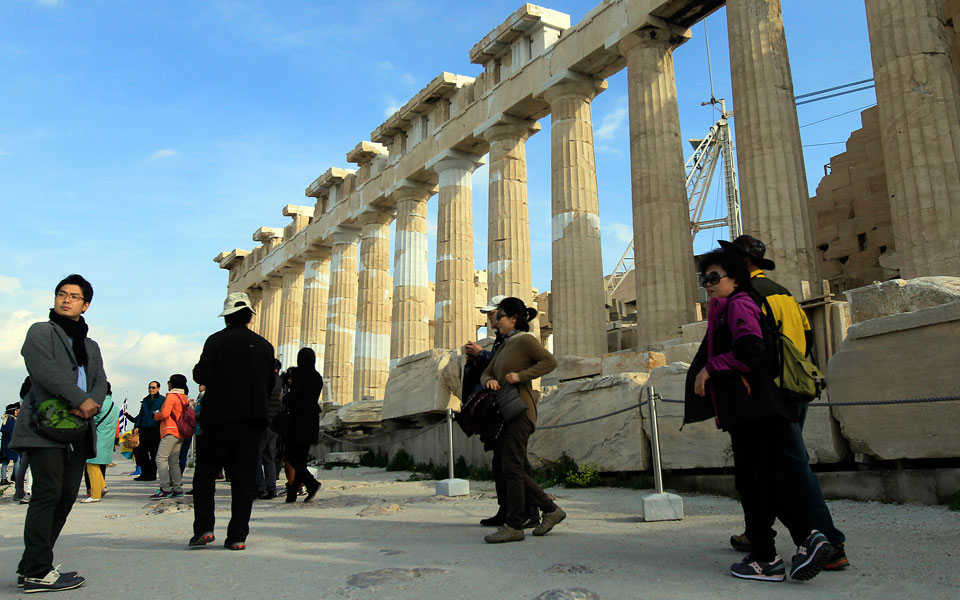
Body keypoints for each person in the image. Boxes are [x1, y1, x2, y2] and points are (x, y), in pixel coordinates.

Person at [684, 249, 832, 582]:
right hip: (754, 408)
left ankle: (773, 555)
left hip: (755, 408)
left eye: (713, 277)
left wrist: (711, 368)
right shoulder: (733, 305)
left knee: (760, 481)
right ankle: (798, 544)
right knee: (764, 481)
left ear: (735, 277)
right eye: (703, 278)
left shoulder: (740, 304)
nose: (707, 285)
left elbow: (750, 350)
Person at [719, 235, 848, 570]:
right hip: (794, 388)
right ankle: (756, 535)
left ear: (744, 263)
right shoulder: (784, 293)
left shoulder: (747, 295)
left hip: (769, 395)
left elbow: (753, 347)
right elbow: (806, 337)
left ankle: (830, 544)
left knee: (790, 469)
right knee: (761, 468)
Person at [12, 274, 105, 592]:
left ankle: (31, 565)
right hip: (45, 426)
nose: (66, 299)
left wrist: (90, 402)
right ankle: (39, 569)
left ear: (86, 305)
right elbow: (43, 369)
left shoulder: (90, 346)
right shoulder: (41, 331)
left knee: (65, 497)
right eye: (61, 294)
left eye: (74, 296)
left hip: (79, 428)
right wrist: (81, 400)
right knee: (47, 494)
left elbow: (100, 381)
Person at [191, 292, 275, 550]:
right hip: (252, 420)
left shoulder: (216, 341)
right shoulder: (265, 346)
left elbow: (201, 375)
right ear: (250, 316)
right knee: (244, 479)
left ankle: (205, 528)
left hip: (218, 418)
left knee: (205, 474)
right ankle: (238, 535)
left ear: (226, 318)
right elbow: (270, 385)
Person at [479, 296, 563, 544]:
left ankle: (517, 524)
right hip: (505, 412)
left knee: (513, 467)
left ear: (513, 318)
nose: (495, 322)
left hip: (521, 411)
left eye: (500, 316)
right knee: (510, 467)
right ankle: (549, 510)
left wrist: (521, 375)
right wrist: (490, 381)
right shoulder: (505, 344)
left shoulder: (525, 340)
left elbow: (550, 361)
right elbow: (486, 372)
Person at [462, 296, 541, 529]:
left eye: (492, 313)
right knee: (501, 463)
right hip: (498, 407)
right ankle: (507, 509)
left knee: (516, 464)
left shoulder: (519, 339)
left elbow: (534, 364)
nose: (489, 317)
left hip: (514, 406)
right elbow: (492, 370)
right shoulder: (502, 339)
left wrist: (482, 355)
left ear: (507, 315)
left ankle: (536, 511)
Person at [283, 349, 323, 503]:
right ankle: (292, 493)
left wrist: (286, 396)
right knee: (301, 458)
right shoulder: (317, 376)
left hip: (298, 420)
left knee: (291, 456)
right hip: (312, 419)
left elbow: (296, 397)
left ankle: (311, 482)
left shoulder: (299, 376)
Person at [150, 375, 190, 500]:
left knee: (160, 459)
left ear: (171, 384)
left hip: (170, 430)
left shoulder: (172, 396)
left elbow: (165, 414)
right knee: (174, 462)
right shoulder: (184, 397)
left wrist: (155, 415)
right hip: (181, 432)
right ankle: (177, 489)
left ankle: (165, 488)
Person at [82, 382, 119, 503]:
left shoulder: (100, 403)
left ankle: (95, 494)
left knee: (91, 464)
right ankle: (102, 486)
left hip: (97, 437)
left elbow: (91, 418)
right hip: (108, 438)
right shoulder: (114, 405)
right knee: (97, 464)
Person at [255, 360, 283, 500]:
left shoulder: (266, 380)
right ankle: (271, 487)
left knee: (257, 456)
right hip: (275, 423)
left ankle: (260, 488)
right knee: (270, 456)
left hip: (264, 422)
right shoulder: (280, 381)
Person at [133, 381, 164, 481]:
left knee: (154, 452)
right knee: (142, 453)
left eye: (153, 387)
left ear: (158, 388)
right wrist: (137, 426)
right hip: (144, 428)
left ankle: (151, 474)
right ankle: (144, 473)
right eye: (150, 387)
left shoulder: (162, 400)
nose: (151, 389)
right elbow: (141, 414)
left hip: (155, 429)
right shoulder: (145, 400)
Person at [1, 402, 20, 485]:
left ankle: (3, 478)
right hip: (11, 444)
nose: (16, 412)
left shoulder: (5, 420)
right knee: (17, 459)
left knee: (5, 462)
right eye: (15, 410)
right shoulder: (11, 421)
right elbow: (13, 434)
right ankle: (16, 476)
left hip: (5, 444)